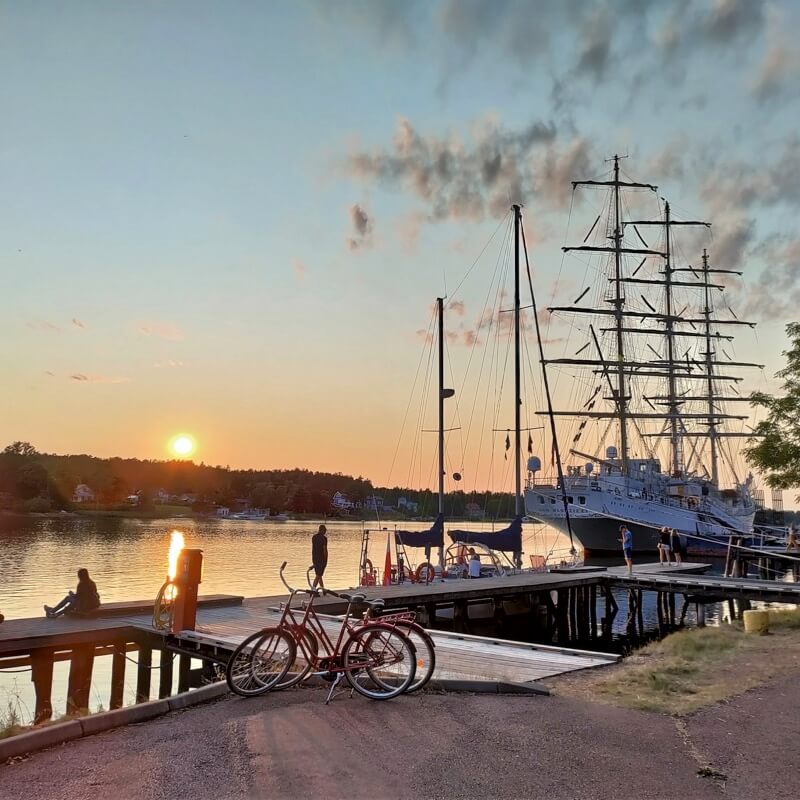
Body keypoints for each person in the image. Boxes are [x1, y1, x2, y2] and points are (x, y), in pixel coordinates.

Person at [311, 524, 328, 590]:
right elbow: (325, 550)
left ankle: (323, 589)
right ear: (323, 530)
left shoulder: (314, 537)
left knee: (319, 574)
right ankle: (313, 589)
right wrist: (326, 559)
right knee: (318, 575)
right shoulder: (324, 538)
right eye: (325, 531)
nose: (325, 532)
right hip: (321, 559)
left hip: (314, 558)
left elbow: (314, 548)